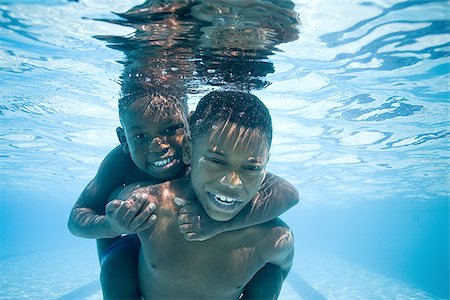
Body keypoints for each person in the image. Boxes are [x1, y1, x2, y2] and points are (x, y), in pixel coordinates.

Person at [68, 88, 299, 299]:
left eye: (170, 129)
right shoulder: (123, 167)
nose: (158, 145)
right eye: (140, 136)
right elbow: (82, 215)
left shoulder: (220, 147)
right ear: (124, 140)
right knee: (115, 262)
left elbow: (289, 194)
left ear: (187, 126)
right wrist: (113, 226)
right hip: (141, 253)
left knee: (269, 274)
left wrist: (218, 224)